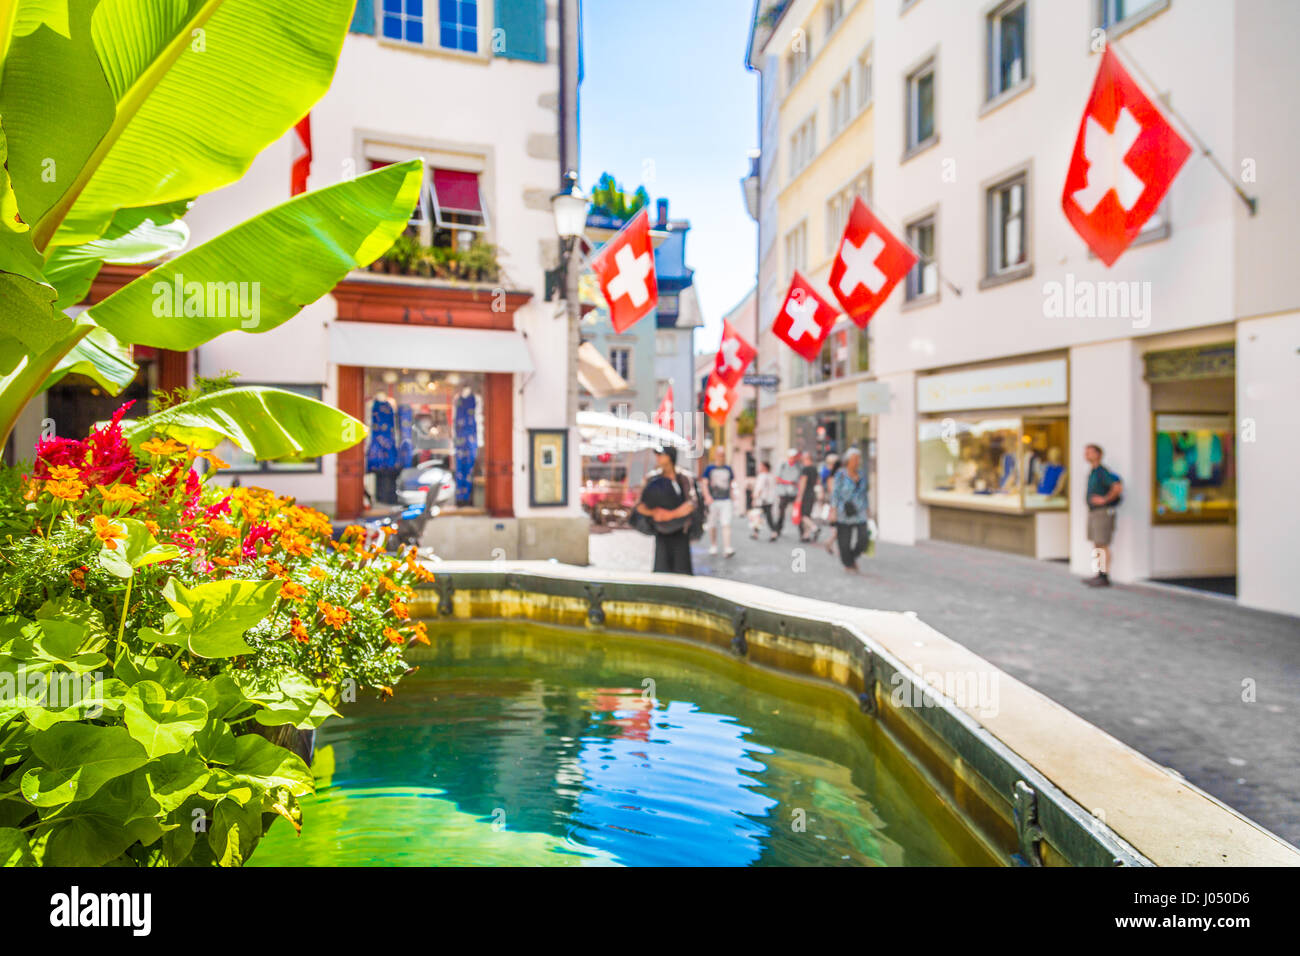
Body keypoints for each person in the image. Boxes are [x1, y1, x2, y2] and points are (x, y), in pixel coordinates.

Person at [635, 445, 698, 575]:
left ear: (669, 457)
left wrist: (669, 515)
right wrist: (654, 513)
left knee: (682, 573)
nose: (657, 457)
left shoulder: (683, 477)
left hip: (681, 531)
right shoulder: (652, 478)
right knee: (661, 573)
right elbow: (640, 505)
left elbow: (692, 503)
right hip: (661, 531)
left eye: (660, 454)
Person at [1083, 443, 1123, 587]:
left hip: (1103, 513)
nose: (1086, 455)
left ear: (1098, 454)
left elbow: (1117, 487)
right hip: (1094, 512)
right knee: (1097, 543)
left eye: (1089, 452)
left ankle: (1104, 575)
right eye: (1085, 452)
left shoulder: (1102, 472)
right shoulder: (1093, 471)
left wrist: (1105, 499)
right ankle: (1098, 573)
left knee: (1102, 544)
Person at [829, 447, 870, 573]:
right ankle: (848, 563)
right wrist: (834, 510)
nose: (857, 461)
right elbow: (835, 493)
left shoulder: (862, 474)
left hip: (860, 511)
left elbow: (864, 493)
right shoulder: (840, 474)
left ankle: (852, 558)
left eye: (858, 459)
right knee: (844, 542)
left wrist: (868, 508)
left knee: (864, 539)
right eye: (854, 459)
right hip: (844, 511)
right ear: (848, 460)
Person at [702, 447, 736, 558]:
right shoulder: (710, 468)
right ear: (716, 455)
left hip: (726, 500)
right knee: (712, 524)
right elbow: (704, 483)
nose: (722, 457)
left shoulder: (728, 469)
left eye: (723, 455)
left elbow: (731, 484)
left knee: (726, 524)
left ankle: (727, 547)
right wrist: (707, 496)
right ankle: (713, 545)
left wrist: (733, 496)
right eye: (720, 454)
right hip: (713, 500)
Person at [772, 448, 801, 540]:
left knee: (799, 512)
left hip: (794, 492)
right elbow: (777, 478)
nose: (793, 459)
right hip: (784, 492)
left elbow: (801, 479)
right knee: (781, 513)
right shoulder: (783, 465)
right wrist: (788, 482)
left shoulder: (799, 467)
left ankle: (803, 532)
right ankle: (777, 530)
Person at [795, 451, 820, 543]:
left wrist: (800, 495)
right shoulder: (814, 468)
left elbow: (803, 482)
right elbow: (818, 481)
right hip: (812, 492)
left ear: (807, 458)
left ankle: (814, 528)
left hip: (806, 494)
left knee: (803, 515)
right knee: (807, 515)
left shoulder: (805, 469)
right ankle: (806, 535)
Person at [750, 460, 777, 539]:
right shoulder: (771, 476)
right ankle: (773, 532)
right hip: (769, 499)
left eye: (760, 466)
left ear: (764, 467)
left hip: (762, 500)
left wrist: (755, 498)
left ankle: (756, 533)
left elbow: (759, 488)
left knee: (757, 516)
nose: (759, 467)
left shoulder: (762, 476)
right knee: (768, 517)